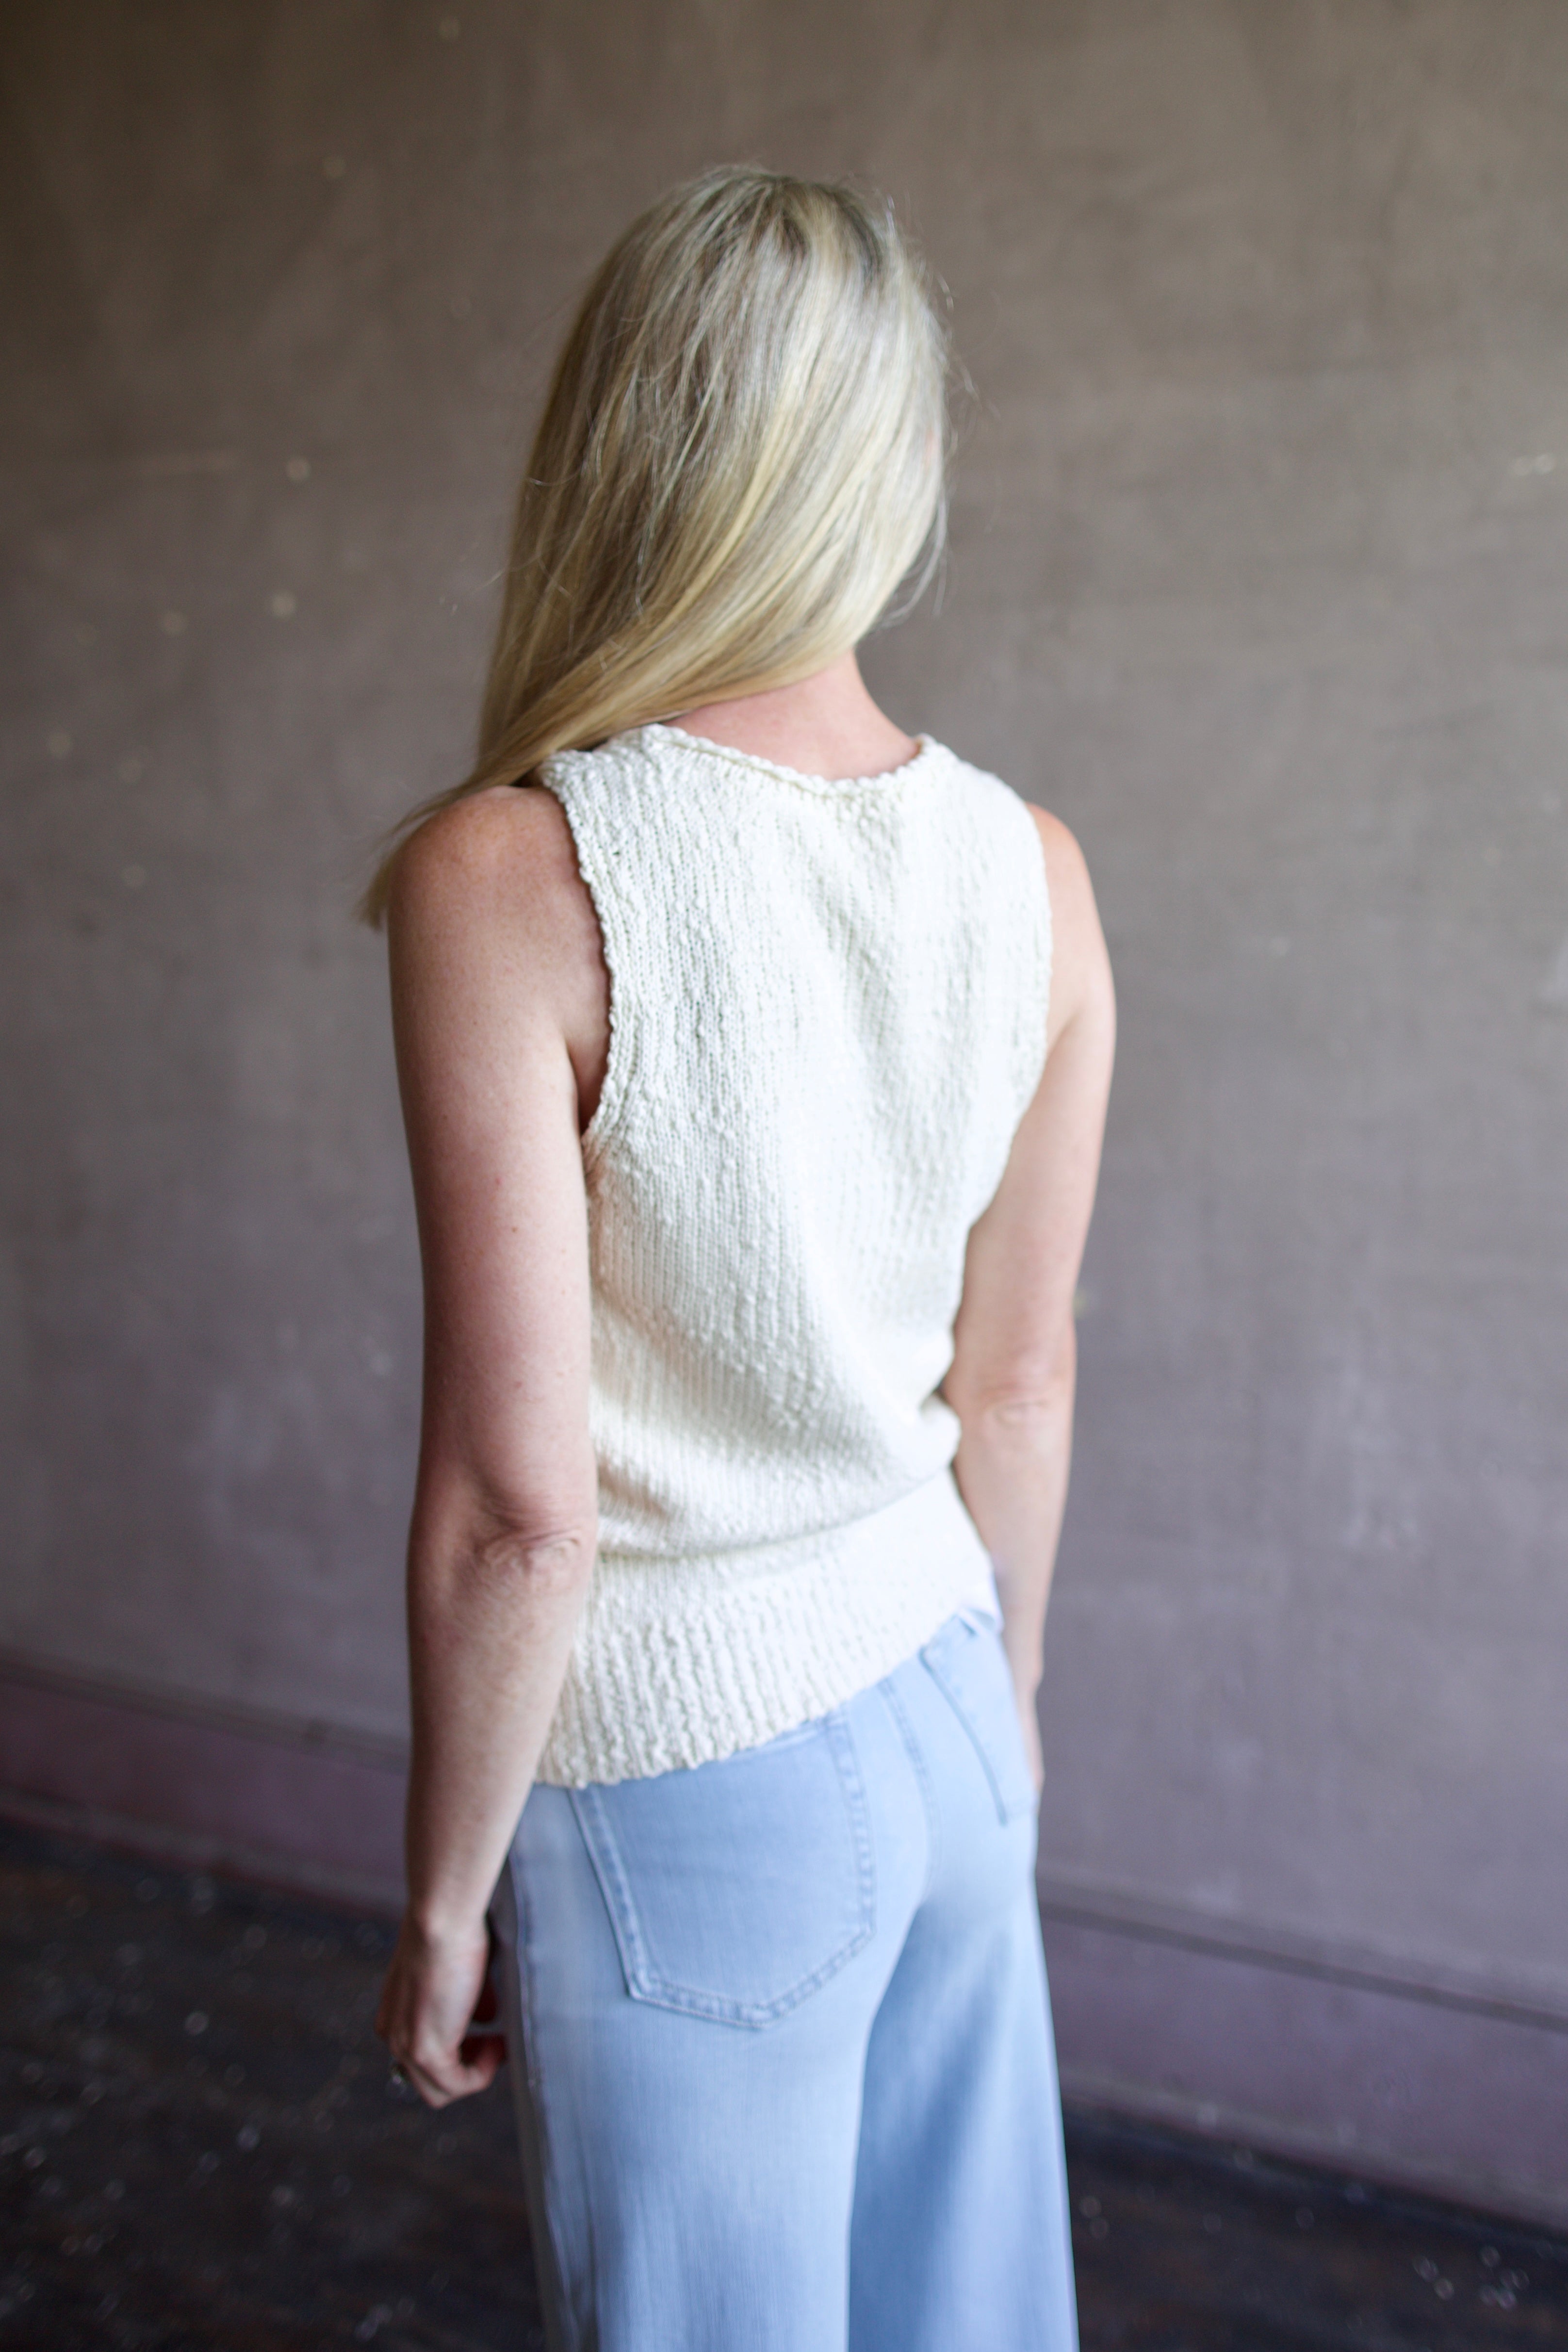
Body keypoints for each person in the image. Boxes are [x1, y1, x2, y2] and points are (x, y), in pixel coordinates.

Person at [366, 166, 1114, 2352]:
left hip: (689, 1795)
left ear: (620, 442)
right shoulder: (1034, 872)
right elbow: (1026, 1378)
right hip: (952, 1696)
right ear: (889, 466)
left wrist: (436, 1896)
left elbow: (521, 1513)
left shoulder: (508, 873)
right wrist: (1013, 1707)